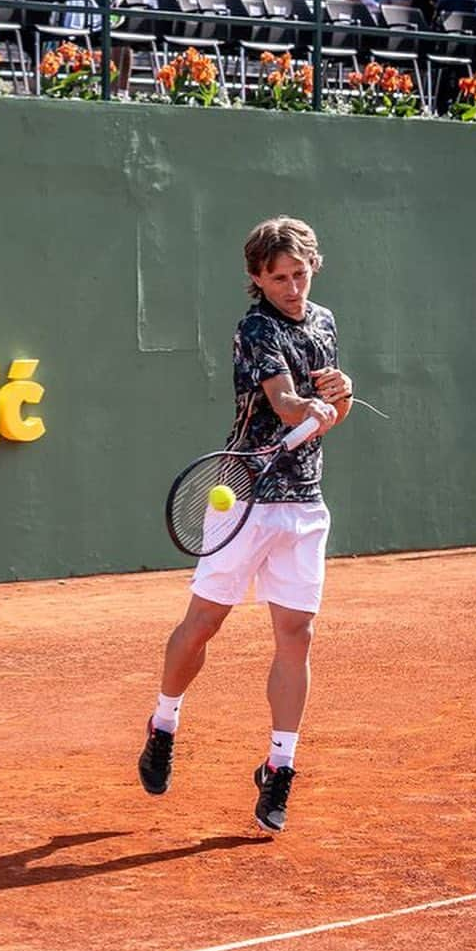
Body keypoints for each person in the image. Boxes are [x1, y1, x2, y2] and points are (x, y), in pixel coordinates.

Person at [137, 217, 352, 835]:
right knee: (204, 622)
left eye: (299, 273)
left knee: (298, 633)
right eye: (278, 277)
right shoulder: (256, 327)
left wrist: (343, 394)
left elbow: (327, 414)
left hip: (304, 503)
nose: (292, 286)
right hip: (246, 497)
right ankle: (164, 721)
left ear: (313, 265)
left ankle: (280, 767)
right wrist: (311, 407)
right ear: (257, 279)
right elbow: (286, 405)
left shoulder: (325, 322)